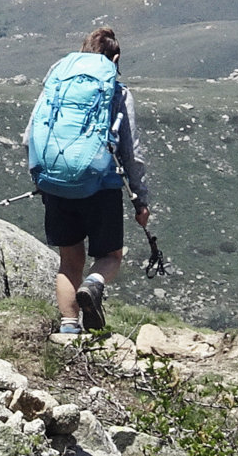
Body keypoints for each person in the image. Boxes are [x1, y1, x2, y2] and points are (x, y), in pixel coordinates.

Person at [23, 25, 149, 336]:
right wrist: (140, 198)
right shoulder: (118, 93)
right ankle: (93, 286)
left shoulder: (56, 88)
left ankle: (68, 329)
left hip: (54, 183)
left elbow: (29, 138)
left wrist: (42, 178)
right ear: (115, 57)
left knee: (69, 260)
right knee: (109, 256)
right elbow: (131, 153)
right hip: (100, 186)